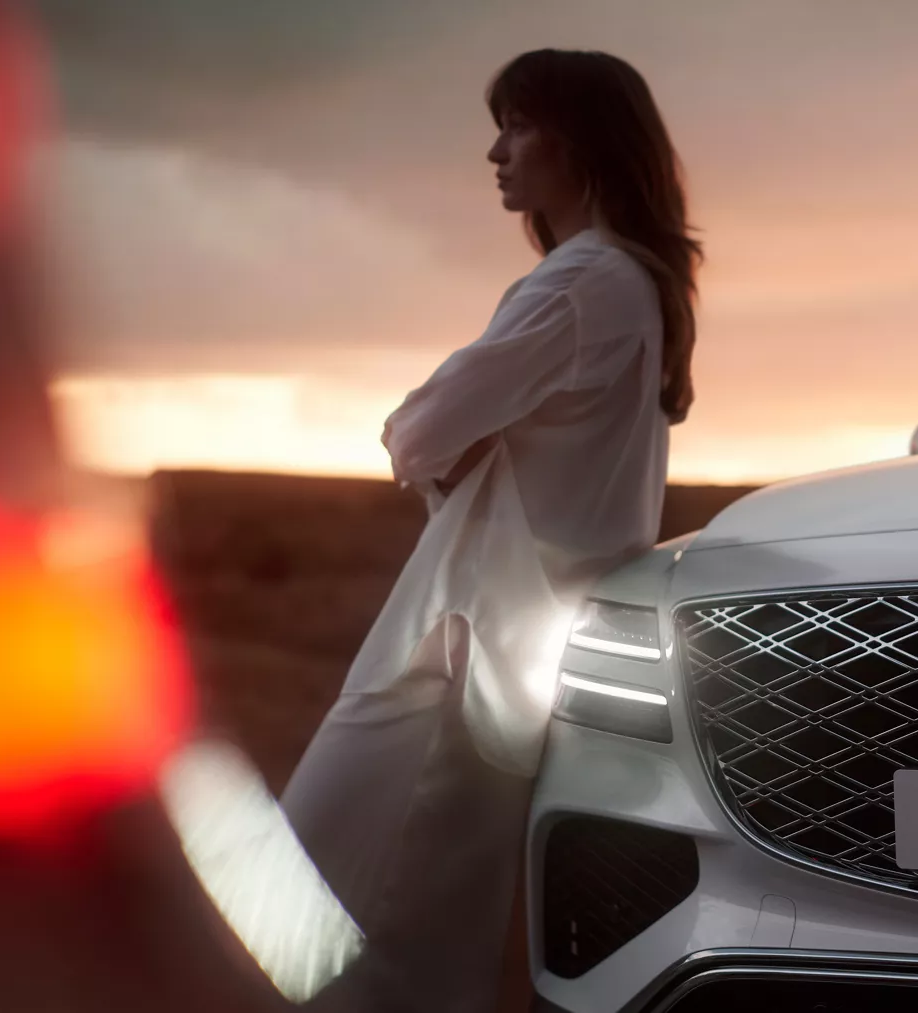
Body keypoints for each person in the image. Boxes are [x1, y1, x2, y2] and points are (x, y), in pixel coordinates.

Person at [280, 48, 700, 1013]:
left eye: (517, 125)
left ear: (583, 144)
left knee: (330, 899)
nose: (495, 152)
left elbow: (419, 428)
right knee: (430, 920)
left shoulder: (579, 282)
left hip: (464, 644)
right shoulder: (639, 284)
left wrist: (451, 464)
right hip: (528, 652)